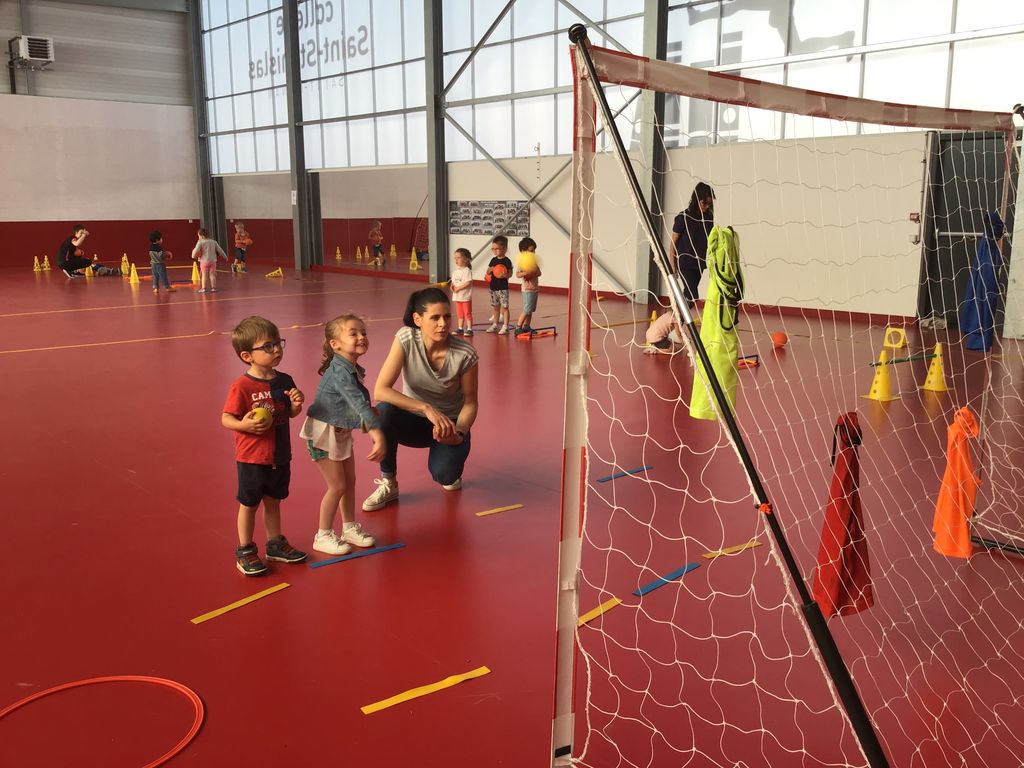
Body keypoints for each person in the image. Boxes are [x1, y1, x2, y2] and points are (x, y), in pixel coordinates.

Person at [361, 287, 479, 511]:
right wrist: (425, 408)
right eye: (435, 318)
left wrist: (459, 433)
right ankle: (389, 483)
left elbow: (471, 403)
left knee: (445, 476)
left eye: (447, 316)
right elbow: (381, 390)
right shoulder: (406, 338)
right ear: (418, 319)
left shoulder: (465, 354)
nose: (443, 324)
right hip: (413, 420)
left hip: (448, 425)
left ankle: (451, 466)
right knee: (384, 411)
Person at [222, 316, 308, 575]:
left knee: (273, 501)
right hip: (253, 457)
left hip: (280, 454)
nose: (276, 349)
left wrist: (296, 404)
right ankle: (245, 549)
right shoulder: (242, 386)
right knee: (249, 503)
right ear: (247, 356)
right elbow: (226, 418)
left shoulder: (285, 380)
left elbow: (290, 413)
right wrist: (244, 425)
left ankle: (275, 543)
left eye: (278, 343)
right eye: (268, 346)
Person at [300, 314, 385, 556]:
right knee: (337, 486)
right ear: (335, 344)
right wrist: (376, 433)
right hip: (323, 432)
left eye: (363, 333)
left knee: (350, 481)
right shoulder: (339, 371)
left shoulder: (352, 368)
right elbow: (356, 401)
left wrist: (368, 414)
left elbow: (353, 404)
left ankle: (348, 527)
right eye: (353, 333)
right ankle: (323, 535)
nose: (361, 337)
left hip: (340, 431)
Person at [671, 182, 715, 308]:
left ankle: (674, 317)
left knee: (687, 295)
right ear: (696, 200)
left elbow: (709, 240)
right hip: (684, 262)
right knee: (693, 295)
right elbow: (672, 243)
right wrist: (672, 266)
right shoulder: (683, 217)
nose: (707, 206)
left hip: (699, 263)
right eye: (704, 203)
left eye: (710, 204)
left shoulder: (708, 217)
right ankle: (675, 317)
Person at [485, 235, 514, 334]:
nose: (494, 251)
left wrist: (505, 275)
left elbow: (510, 274)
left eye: (497, 248)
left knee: (505, 307)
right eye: (493, 249)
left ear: (504, 248)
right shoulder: (493, 260)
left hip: (503, 288)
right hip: (493, 287)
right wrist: (490, 270)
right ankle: (495, 325)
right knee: (495, 307)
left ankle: (505, 326)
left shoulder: (507, 261)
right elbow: (488, 272)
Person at [515, 237, 542, 333]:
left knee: (530, 310)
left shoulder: (534, 262)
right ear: (523, 251)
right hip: (527, 289)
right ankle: (518, 327)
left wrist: (534, 272)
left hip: (534, 288)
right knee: (527, 309)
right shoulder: (522, 263)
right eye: (531, 251)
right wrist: (526, 273)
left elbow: (539, 273)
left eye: (534, 250)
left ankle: (527, 326)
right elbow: (517, 274)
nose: (533, 253)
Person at [191, 228, 228, 294]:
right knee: (212, 274)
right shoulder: (214, 242)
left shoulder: (200, 242)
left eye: (199, 236)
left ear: (202, 236)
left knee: (204, 275)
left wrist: (193, 256)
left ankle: (203, 288)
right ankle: (213, 288)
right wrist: (225, 256)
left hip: (204, 261)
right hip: (213, 261)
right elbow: (220, 250)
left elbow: (196, 250)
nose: (198, 237)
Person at [450, 248, 474, 336]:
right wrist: (452, 287)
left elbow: (468, 282)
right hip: (457, 297)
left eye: (458, 258)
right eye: (455, 258)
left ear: (465, 259)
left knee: (467, 313)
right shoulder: (455, 271)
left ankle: (469, 329)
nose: (456, 260)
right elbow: (453, 282)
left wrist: (458, 288)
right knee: (459, 313)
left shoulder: (467, 271)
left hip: (465, 297)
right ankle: (460, 328)